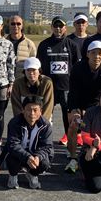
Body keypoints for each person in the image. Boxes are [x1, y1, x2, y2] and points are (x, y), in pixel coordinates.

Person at [65, 40, 101, 174]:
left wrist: (91, 111)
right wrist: (74, 110)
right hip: (79, 104)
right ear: (88, 54)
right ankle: (73, 158)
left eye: (100, 53)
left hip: (99, 105)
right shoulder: (77, 68)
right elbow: (73, 91)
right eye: (93, 53)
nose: (97, 56)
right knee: (73, 125)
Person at [36, 16, 81, 144]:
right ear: (51, 27)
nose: (58, 28)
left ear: (65, 28)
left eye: (61, 26)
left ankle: (70, 142)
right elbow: (39, 66)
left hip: (66, 87)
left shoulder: (72, 45)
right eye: (55, 26)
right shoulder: (44, 44)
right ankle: (44, 142)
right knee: (46, 115)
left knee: (68, 117)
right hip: (48, 87)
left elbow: (77, 67)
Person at [5, 95, 53, 189]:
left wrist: (38, 157)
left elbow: (47, 146)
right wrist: (27, 157)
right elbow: (13, 144)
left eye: (35, 110)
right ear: (23, 110)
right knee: (11, 157)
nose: (32, 113)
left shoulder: (46, 125)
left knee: (45, 162)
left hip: (34, 156)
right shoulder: (14, 123)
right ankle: (13, 175)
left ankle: (32, 174)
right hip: (20, 155)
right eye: (28, 109)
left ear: (40, 111)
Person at [10, 57, 54, 122]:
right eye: (28, 70)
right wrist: (21, 120)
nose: (31, 73)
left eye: (34, 70)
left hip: (42, 118)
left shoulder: (47, 83)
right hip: (24, 118)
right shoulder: (18, 83)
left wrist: (42, 122)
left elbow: (48, 105)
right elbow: (16, 105)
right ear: (24, 72)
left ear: (39, 71)